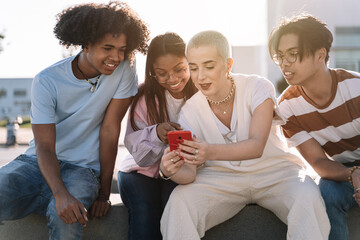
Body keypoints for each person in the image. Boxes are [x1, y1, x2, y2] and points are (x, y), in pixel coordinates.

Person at [159, 30, 330, 240]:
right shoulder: (189, 111)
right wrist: (169, 169)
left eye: (209, 66)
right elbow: (189, 174)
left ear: (228, 65)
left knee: (307, 197)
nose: (200, 76)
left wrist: (208, 151)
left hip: (276, 173)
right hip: (221, 179)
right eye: (193, 68)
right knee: (179, 201)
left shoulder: (258, 87)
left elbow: (256, 145)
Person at [0, 2, 149, 239]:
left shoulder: (125, 68)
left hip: (83, 170)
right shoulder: (46, 81)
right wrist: (59, 193)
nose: (116, 57)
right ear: (86, 44)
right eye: (108, 48)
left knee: (68, 219)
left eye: (122, 49)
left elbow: (110, 131)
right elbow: (45, 146)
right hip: (35, 164)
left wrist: (103, 193)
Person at [268, 13, 360, 240]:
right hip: (346, 173)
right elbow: (318, 162)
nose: (284, 63)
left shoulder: (356, 89)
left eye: (293, 54)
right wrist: (354, 174)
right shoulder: (287, 107)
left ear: (321, 55)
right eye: (280, 56)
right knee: (326, 190)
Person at [118, 32, 197, 240]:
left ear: (189, 63)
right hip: (139, 173)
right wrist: (156, 134)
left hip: (180, 171)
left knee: (176, 205)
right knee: (145, 210)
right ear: (152, 72)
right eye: (162, 73)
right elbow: (138, 154)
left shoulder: (201, 94)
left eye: (179, 69)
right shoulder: (143, 99)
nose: (172, 79)